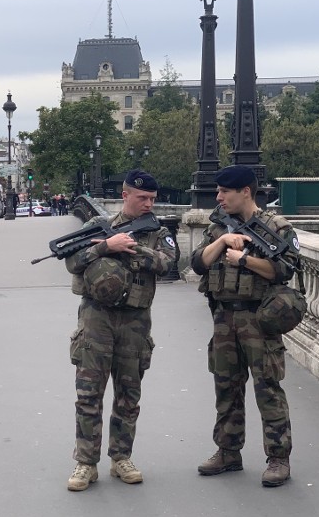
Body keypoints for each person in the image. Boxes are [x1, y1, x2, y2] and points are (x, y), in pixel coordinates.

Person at [64, 170, 177, 491]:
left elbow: (168, 264)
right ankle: (85, 463)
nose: (148, 204)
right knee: (88, 394)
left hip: (135, 321)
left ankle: (121, 458)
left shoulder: (156, 231)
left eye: (153, 199)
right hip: (95, 319)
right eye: (142, 198)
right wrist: (104, 247)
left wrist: (132, 249)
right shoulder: (96, 229)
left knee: (129, 395)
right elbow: (72, 262)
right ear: (125, 195)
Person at [190, 165, 300, 487]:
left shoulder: (275, 227)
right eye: (218, 191)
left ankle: (278, 458)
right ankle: (227, 451)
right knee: (226, 387)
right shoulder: (217, 228)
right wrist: (223, 241)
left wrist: (244, 260)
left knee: (267, 389)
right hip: (223, 317)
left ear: (246, 192)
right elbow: (198, 263)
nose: (218, 196)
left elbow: (284, 271)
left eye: (225, 191)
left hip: (259, 318)